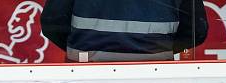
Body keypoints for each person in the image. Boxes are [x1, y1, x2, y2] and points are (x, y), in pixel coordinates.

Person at [40, 0, 208, 62]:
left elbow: (52, 23)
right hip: (155, 76)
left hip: (84, 73)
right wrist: (156, 48)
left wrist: (83, 48)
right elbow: (196, 31)